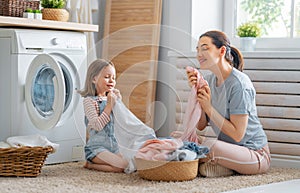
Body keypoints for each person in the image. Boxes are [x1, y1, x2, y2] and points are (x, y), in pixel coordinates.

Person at [185, 30, 270, 177]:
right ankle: (223, 165)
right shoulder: (210, 81)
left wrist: (208, 108)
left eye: (205, 48)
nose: (199, 54)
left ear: (222, 51)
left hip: (255, 154)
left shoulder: (239, 84)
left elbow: (238, 135)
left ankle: (218, 162)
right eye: (197, 49)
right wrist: (196, 93)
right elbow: (201, 125)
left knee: (205, 145)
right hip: (229, 149)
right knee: (181, 137)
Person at [78, 59, 128, 173]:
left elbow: (121, 122)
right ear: (94, 79)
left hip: (114, 146)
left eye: (113, 78)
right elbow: (97, 126)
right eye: (107, 76)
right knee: (120, 167)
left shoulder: (112, 98)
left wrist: (119, 102)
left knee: (129, 164)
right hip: (97, 149)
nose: (111, 80)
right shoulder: (89, 101)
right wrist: (110, 105)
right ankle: (90, 165)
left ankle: (105, 163)